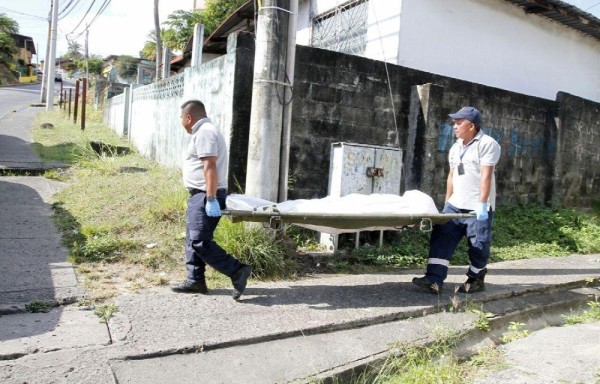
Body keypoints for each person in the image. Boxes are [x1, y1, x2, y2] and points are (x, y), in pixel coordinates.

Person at [413, 106, 501, 294]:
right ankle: (434, 279)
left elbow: (486, 175)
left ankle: (476, 278)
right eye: (454, 122)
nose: (454, 126)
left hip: (476, 207)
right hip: (455, 205)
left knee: (479, 245)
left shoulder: (487, 144)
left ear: (472, 126)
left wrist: (482, 204)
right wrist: (447, 203)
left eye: (459, 123)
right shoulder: (455, 147)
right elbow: (451, 176)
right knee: (441, 239)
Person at [171, 99, 252, 300]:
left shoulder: (205, 132)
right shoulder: (203, 131)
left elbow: (210, 166)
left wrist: (211, 197)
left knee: (200, 241)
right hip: (199, 194)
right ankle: (195, 280)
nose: (181, 122)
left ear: (189, 117)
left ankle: (237, 270)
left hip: (205, 194)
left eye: (182, 118)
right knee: (192, 240)